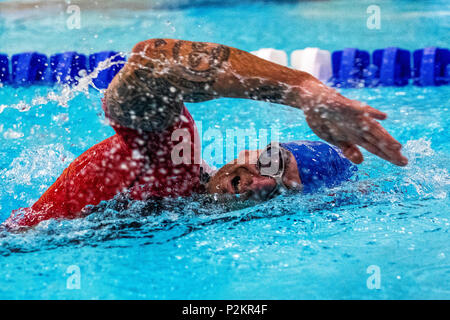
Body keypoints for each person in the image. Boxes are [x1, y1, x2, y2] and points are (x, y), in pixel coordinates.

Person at [3, 39, 408, 229]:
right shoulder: (169, 153)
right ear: (253, 151)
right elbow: (149, 64)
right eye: (272, 163)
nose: (260, 184)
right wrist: (303, 91)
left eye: (278, 191)